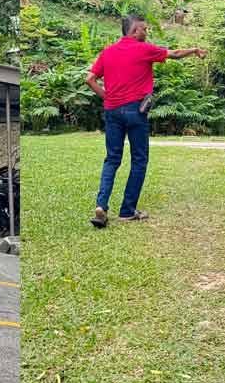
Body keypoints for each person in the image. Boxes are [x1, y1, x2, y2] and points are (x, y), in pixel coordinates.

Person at [85, 15, 206, 228]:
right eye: (144, 29)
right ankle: (127, 210)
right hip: (135, 111)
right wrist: (194, 50)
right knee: (139, 160)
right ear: (134, 31)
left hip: (112, 111)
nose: (146, 32)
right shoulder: (144, 49)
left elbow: (89, 79)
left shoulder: (107, 52)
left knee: (112, 159)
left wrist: (108, 97)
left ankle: (101, 206)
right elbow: (175, 54)